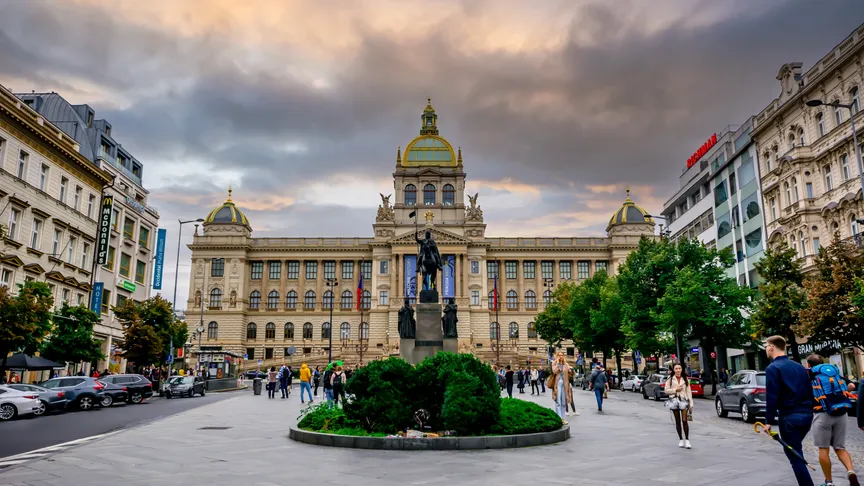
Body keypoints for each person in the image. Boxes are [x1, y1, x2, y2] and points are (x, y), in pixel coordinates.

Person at [765, 336, 815, 486]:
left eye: (766, 346)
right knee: (795, 450)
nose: (766, 349)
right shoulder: (798, 366)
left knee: (795, 455)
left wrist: (768, 421)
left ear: (772, 347)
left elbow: (772, 396)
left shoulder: (773, 368)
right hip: (807, 415)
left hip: (789, 417)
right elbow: (809, 389)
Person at [806, 354, 858, 486]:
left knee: (823, 449)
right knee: (840, 448)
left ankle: (828, 482)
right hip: (841, 413)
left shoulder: (810, 375)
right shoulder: (833, 374)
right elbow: (851, 386)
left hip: (822, 414)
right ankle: (851, 471)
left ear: (809, 365)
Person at [665, 362, 694, 449]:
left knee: (684, 420)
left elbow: (689, 392)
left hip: (683, 401)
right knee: (677, 421)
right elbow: (666, 390)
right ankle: (681, 439)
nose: (678, 370)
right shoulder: (670, 379)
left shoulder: (685, 379)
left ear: (682, 369)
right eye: (676, 368)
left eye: (679, 368)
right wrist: (675, 389)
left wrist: (691, 404)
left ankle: (687, 440)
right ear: (674, 370)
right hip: (674, 401)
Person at [550, 351, 572, 425]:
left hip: (565, 384)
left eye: (562, 355)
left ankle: (563, 418)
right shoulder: (554, 363)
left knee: (563, 402)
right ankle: (559, 418)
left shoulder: (566, 364)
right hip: (557, 383)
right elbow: (554, 371)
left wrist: (570, 371)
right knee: (558, 401)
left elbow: (571, 373)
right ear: (557, 356)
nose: (561, 357)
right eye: (559, 355)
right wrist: (558, 364)